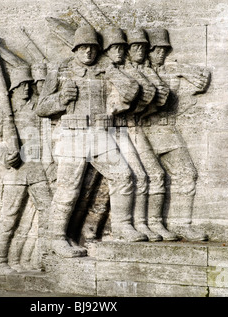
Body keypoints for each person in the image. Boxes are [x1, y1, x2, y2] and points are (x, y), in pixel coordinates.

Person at [37, 25, 146, 258]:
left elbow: (132, 90)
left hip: (98, 135)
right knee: (68, 189)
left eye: (93, 48)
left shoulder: (104, 68)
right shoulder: (61, 69)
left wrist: (111, 68)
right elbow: (42, 108)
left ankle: (123, 225)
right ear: (75, 48)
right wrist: (60, 99)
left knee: (123, 175)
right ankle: (56, 239)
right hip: (72, 135)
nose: (88, 52)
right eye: (83, 47)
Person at [142, 28, 210, 241]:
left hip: (166, 130)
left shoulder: (170, 69)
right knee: (151, 179)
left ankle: (183, 225)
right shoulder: (139, 71)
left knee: (188, 174)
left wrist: (184, 71)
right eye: (156, 49)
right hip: (141, 130)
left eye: (164, 49)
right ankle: (151, 224)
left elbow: (203, 77)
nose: (160, 54)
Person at [0, 65, 53, 275]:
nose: (26, 88)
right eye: (22, 85)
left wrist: (49, 162)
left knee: (48, 212)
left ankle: (45, 258)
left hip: (36, 168)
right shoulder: (4, 108)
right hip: (15, 171)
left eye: (28, 84)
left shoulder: (37, 105)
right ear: (14, 87)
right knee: (9, 216)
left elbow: (46, 136)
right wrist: (6, 156)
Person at [119, 28, 179, 241]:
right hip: (117, 130)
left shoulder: (145, 69)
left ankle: (152, 223)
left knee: (156, 175)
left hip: (134, 126)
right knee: (140, 176)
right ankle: (138, 224)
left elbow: (152, 103)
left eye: (143, 47)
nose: (139, 51)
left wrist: (154, 100)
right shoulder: (119, 71)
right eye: (135, 46)